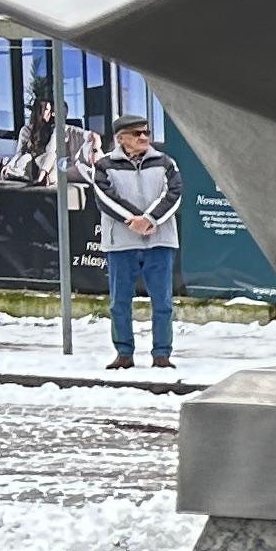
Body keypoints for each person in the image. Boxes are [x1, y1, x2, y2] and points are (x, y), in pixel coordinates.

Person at [86, 110, 182, 373]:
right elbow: (105, 198)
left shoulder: (165, 162)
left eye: (146, 132)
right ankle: (123, 353)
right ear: (121, 138)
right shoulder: (103, 166)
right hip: (121, 244)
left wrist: (150, 219)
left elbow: (174, 194)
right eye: (137, 133)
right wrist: (134, 220)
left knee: (162, 302)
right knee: (119, 302)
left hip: (159, 242)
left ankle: (162, 354)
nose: (144, 137)